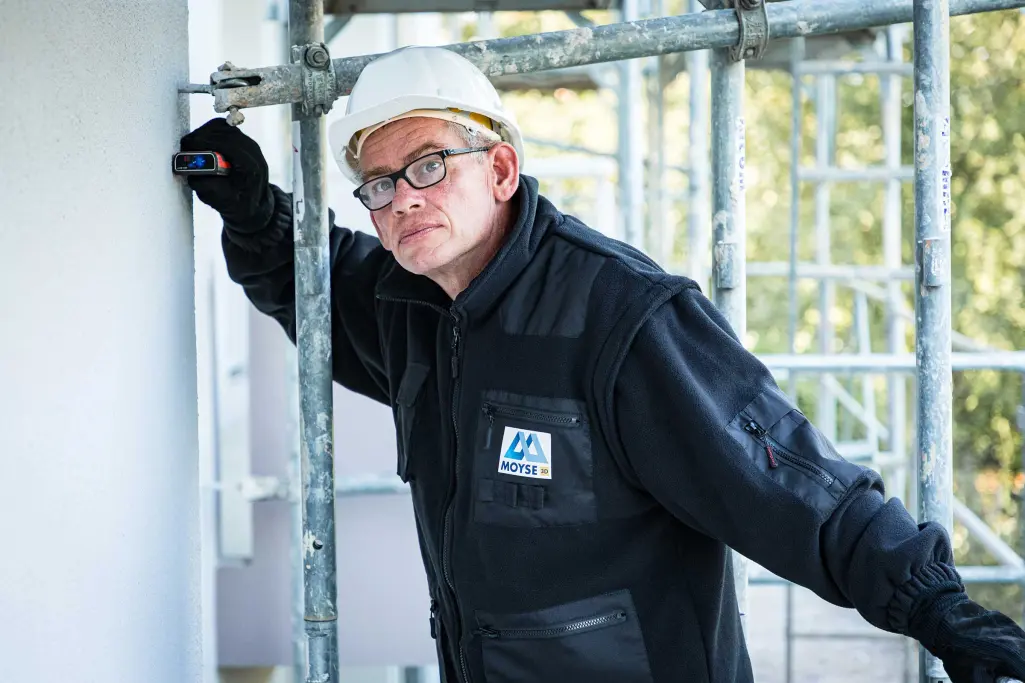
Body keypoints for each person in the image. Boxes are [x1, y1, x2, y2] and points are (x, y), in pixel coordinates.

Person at [181, 45, 1025, 683]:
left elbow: (787, 479)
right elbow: (318, 286)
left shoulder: (621, 315)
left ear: (500, 168)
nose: (402, 197)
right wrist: (254, 212)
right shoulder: (413, 307)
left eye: (428, 165)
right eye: (378, 184)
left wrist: (938, 610)